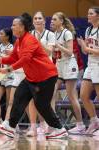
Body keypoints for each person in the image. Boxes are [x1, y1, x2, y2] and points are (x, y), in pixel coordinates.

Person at [0, 13, 68, 139]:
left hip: (45, 77)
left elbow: (25, 59)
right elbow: (13, 57)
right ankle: (10, 127)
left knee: (42, 105)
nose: (11, 27)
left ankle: (59, 129)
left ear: (22, 27)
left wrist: (9, 69)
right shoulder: (19, 41)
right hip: (31, 77)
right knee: (18, 97)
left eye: (14, 25)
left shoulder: (29, 40)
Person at [50, 12, 85, 134]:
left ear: (61, 21)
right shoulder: (54, 34)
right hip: (59, 64)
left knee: (71, 96)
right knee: (51, 92)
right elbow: (55, 53)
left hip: (69, 65)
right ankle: (54, 124)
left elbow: (70, 52)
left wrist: (58, 46)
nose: (52, 21)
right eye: (52, 20)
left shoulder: (67, 33)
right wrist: (53, 51)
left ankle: (80, 124)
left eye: (54, 19)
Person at [27, 11, 56, 136]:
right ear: (33, 21)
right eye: (35, 18)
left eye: (40, 18)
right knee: (32, 99)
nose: (38, 20)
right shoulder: (28, 34)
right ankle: (33, 127)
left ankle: (48, 124)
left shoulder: (50, 34)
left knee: (45, 100)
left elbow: (49, 52)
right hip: (32, 70)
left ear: (44, 21)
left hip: (46, 70)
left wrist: (39, 42)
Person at [78, 6, 99, 135]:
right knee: (83, 96)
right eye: (88, 13)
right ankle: (94, 121)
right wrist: (82, 46)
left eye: (91, 13)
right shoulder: (88, 29)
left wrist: (87, 48)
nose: (88, 15)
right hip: (90, 65)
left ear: (98, 15)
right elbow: (85, 51)